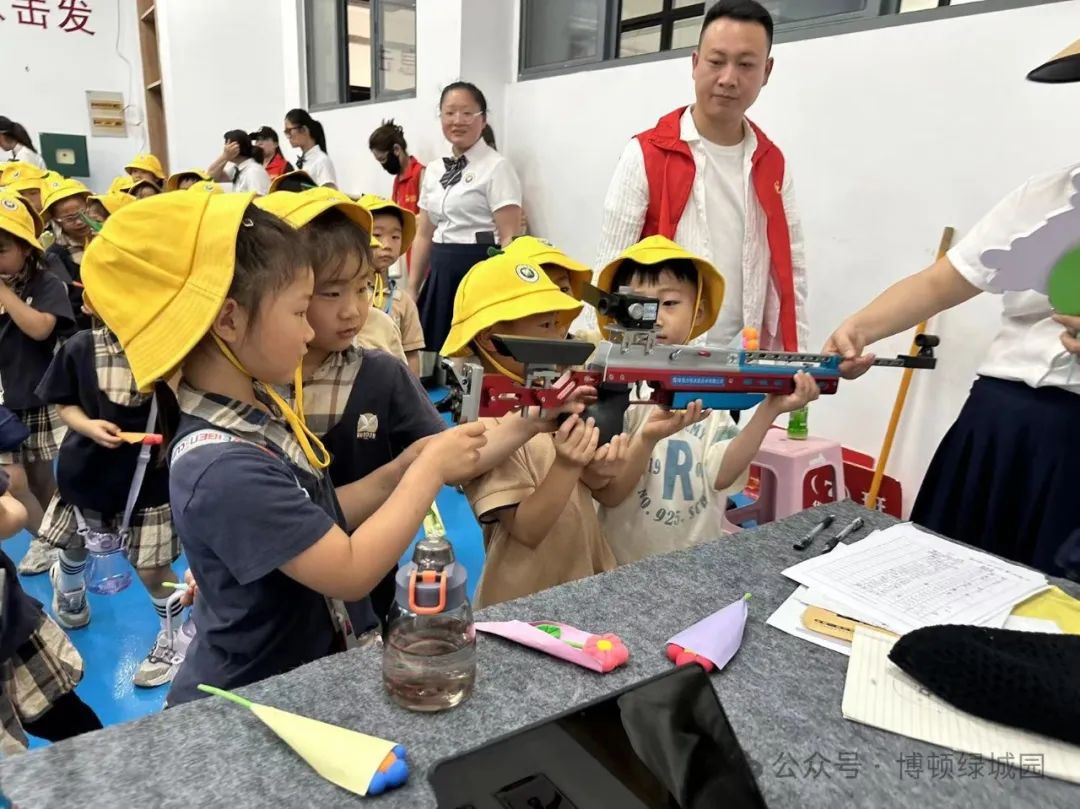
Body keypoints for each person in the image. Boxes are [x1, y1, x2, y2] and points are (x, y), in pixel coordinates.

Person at [79, 190, 489, 705]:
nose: (309, 329)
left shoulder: (261, 409)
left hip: (298, 677)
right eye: (300, 310)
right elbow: (349, 569)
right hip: (252, 698)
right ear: (228, 320)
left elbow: (320, 514)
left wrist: (402, 469)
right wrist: (427, 472)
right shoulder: (221, 466)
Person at [257, 188, 592, 623]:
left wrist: (529, 422)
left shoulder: (381, 374)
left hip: (369, 575)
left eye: (363, 288)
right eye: (330, 293)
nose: (353, 310)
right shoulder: (257, 387)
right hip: (271, 589)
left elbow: (453, 451)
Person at [823, 40, 1080, 578]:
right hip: (995, 425)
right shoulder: (1047, 198)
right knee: (943, 588)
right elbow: (945, 280)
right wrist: (860, 328)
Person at [590, 237, 818, 564]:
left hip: (697, 561)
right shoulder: (617, 390)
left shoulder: (708, 386)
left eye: (669, 303)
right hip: (621, 565)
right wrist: (647, 438)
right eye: (639, 305)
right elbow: (609, 494)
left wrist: (769, 410)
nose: (654, 318)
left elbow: (722, 477)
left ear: (698, 312)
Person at [596, 0, 807, 352]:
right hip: (659, 361)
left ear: (766, 72)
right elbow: (609, 266)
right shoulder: (646, 154)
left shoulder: (772, 164)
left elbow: (792, 272)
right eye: (716, 61)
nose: (728, 78)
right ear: (695, 64)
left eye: (745, 65)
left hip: (740, 359)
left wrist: (795, 358)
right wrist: (600, 371)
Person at [444, 254, 621, 607]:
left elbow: (598, 489)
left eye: (559, 324)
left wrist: (600, 466)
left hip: (586, 576)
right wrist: (569, 465)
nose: (560, 335)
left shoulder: (558, 397)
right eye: (545, 326)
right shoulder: (484, 425)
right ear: (492, 339)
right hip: (523, 600)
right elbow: (527, 528)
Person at [36, 293, 188, 688]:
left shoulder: (177, 349)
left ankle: (174, 638)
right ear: (91, 302)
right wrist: (87, 426)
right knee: (75, 545)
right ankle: (67, 585)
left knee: (153, 569)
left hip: (151, 484)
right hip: (86, 474)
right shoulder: (81, 347)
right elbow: (64, 403)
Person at [409, 82, 523, 353]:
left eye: (466, 113)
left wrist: (505, 290)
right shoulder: (435, 170)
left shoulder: (497, 168)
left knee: (471, 357)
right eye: (449, 113)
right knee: (433, 354)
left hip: (478, 271)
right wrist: (412, 288)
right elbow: (424, 233)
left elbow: (510, 236)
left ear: (482, 119)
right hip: (439, 273)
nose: (457, 120)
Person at [0, 467, 102, 754]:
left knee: (62, 718)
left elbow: (11, 513)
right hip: (9, 633)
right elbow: (10, 514)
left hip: (10, 633)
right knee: (58, 721)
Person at [0, 192, 75, 576]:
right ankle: (44, 540)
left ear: (27, 249)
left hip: (35, 397)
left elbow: (40, 328)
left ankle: (58, 541)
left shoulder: (46, 283)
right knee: (13, 482)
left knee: (45, 478)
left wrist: (4, 294)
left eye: (1, 248)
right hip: (1, 404)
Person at [358, 194, 425, 375]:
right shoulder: (348, 295)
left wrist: (412, 397)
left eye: (395, 236)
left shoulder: (403, 302)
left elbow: (411, 354)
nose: (386, 244)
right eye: (377, 235)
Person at [41, 178, 93, 331]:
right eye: (70, 218)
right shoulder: (55, 256)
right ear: (56, 221)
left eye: (83, 214)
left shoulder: (106, 238)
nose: (79, 222)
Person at [368, 119, 424, 215]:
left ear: (396, 149)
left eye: (383, 159)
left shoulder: (421, 174)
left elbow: (426, 216)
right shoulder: (397, 180)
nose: (383, 166)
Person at [284, 109, 336, 188]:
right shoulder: (306, 160)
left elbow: (329, 194)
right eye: (286, 132)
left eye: (289, 131)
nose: (288, 136)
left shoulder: (321, 161)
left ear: (304, 129)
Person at [208, 130, 271, 195]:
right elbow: (211, 176)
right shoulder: (237, 169)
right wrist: (224, 157)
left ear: (236, 147)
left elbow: (259, 199)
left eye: (227, 145)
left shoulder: (254, 170)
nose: (225, 149)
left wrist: (226, 156)